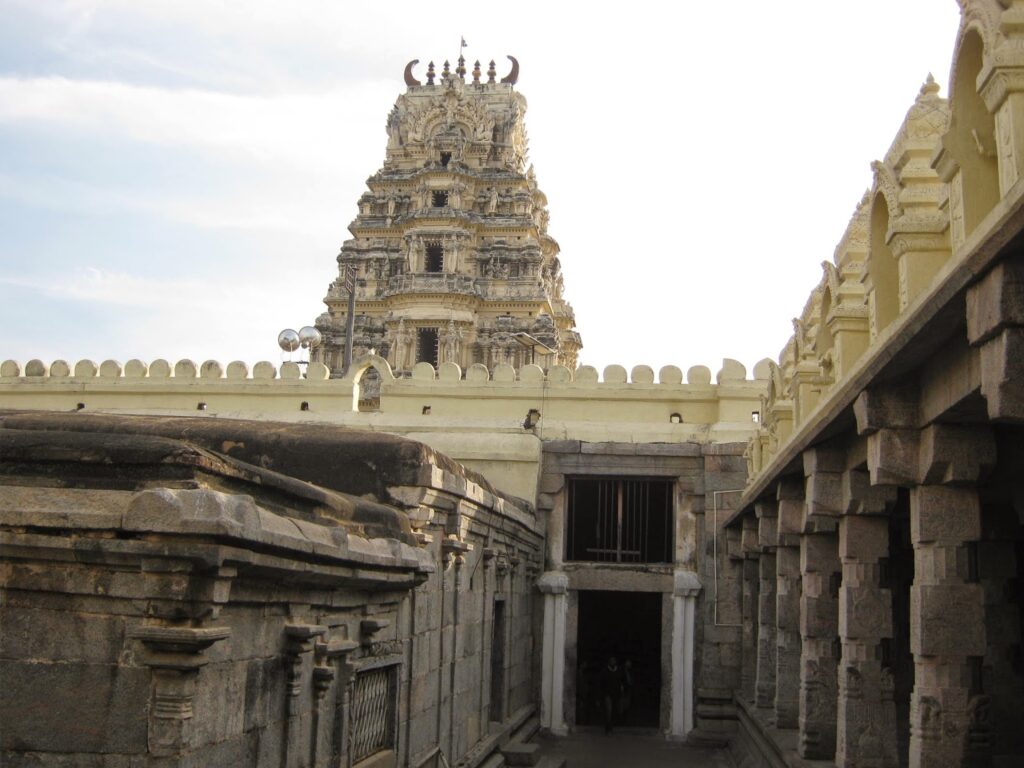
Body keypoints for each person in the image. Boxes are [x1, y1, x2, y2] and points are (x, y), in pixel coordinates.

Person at [599, 656, 625, 733]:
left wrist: (622, 689)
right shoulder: (604, 671)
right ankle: (608, 726)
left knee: (615, 710)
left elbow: (622, 681)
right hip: (607, 693)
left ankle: (611, 725)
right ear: (609, 662)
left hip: (617, 693)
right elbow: (601, 683)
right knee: (608, 710)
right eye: (611, 661)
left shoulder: (619, 670)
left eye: (614, 660)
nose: (613, 662)